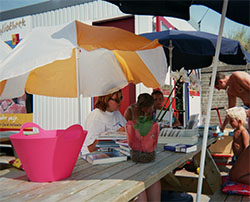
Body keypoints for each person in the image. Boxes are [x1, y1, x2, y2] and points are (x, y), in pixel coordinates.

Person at [124, 93, 161, 202]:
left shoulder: (150, 111)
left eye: (149, 109)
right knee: (141, 181)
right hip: (134, 151)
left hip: (146, 150)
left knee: (154, 178)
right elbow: (126, 129)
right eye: (146, 109)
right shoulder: (130, 111)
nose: (148, 112)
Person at [81, 89, 126, 154]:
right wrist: (115, 135)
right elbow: (91, 148)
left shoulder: (116, 113)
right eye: (116, 100)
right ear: (106, 99)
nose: (120, 102)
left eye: (121, 98)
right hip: (94, 157)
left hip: (114, 155)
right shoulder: (96, 117)